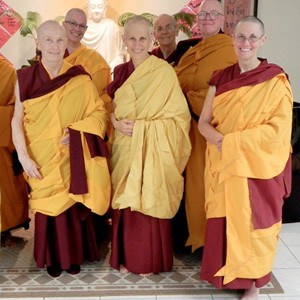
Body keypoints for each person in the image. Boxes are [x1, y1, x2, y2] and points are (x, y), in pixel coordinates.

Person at [198, 16, 293, 299]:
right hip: (224, 162)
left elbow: (278, 131)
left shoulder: (275, 80)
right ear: (232, 39)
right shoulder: (220, 78)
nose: (246, 43)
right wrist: (220, 141)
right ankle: (229, 277)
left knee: (254, 225)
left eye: (253, 37)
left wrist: (233, 142)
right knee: (225, 219)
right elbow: (204, 122)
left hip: (257, 168)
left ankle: (252, 284)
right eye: (240, 37)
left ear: (262, 41)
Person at [11, 20, 111, 277]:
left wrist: (80, 130)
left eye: (59, 40)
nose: (54, 46)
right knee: (46, 208)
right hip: (39, 154)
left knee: (71, 205)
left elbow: (98, 113)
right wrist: (22, 156)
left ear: (66, 43)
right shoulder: (24, 78)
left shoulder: (79, 78)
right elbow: (16, 119)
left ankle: (73, 256)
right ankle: (51, 257)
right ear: (38, 43)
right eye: (48, 40)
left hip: (70, 155)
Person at [107, 15, 191, 275]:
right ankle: (125, 257)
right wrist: (115, 122)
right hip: (125, 145)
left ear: (151, 39)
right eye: (132, 38)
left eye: (143, 38)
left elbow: (179, 119)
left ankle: (149, 260)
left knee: (149, 199)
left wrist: (143, 129)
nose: (137, 43)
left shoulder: (163, 71)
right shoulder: (120, 71)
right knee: (126, 201)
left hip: (154, 150)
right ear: (124, 41)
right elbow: (111, 107)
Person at [174, 0, 237, 252]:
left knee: (205, 185)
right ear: (197, 20)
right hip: (183, 129)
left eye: (213, 14)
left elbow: (228, 93)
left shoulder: (230, 49)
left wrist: (188, 97)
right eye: (203, 14)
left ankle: (206, 244)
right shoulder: (189, 51)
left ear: (223, 19)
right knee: (184, 184)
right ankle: (185, 238)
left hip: (210, 130)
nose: (208, 18)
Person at [0, 54, 29, 247]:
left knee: (7, 187)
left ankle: (5, 231)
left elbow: (18, 108)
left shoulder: (7, 71)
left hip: (2, 143)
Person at [63, 8, 111, 100]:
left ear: (86, 29)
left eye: (82, 26)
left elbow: (105, 94)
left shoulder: (96, 59)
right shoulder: (51, 55)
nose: (77, 29)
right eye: (73, 23)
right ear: (64, 24)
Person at [82, 0, 124, 71]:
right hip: (86, 70)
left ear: (105, 9)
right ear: (88, 9)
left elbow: (119, 54)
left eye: (100, 7)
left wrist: (110, 67)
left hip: (109, 69)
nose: (96, 11)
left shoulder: (111, 26)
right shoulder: (82, 28)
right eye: (93, 7)